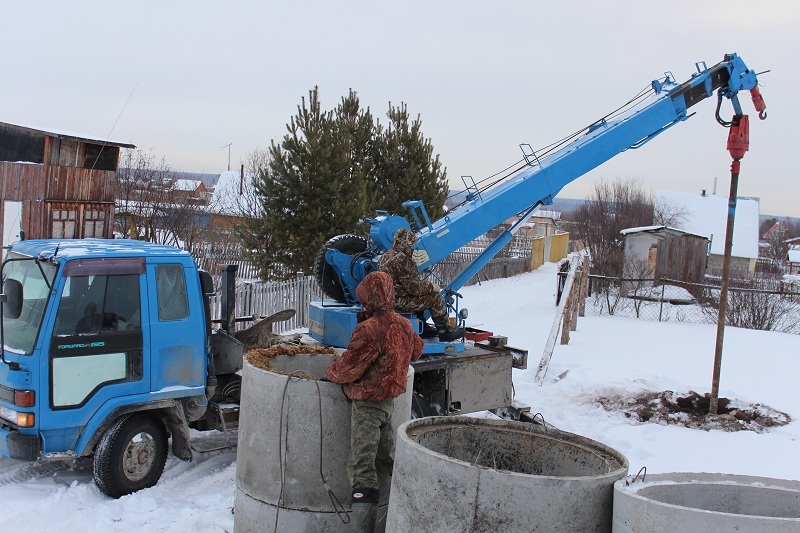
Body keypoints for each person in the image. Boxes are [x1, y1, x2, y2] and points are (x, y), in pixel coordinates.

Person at [326, 271, 424, 533]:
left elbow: (348, 369)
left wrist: (330, 372)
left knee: (362, 467)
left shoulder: (369, 329)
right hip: (389, 405)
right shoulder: (403, 324)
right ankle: (406, 512)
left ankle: (364, 528)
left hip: (368, 406)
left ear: (369, 298)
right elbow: (416, 350)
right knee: (386, 459)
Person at [378, 227, 465, 342]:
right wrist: (432, 287)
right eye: (412, 244)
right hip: (399, 302)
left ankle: (423, 327)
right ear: (407, 243)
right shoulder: (402, 259)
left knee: (420, 297)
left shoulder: (386, 256)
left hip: (388, 299)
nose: (413, 247)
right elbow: (414, 288)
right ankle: (445, 332)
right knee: (434, 298)